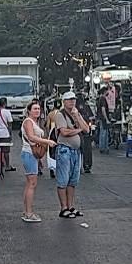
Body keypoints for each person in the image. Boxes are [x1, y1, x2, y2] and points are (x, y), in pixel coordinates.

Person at [51, 91, 90, 219]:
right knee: (63, 180)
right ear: (64, 101)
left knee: (73, 180)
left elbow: (87, 129)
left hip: (75, 150)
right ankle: (63, 207)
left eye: (73, 99)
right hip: (64, 149)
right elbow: (64, 132)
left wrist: (77, 117)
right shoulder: (60, 115)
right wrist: (78, 130)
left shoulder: (76, 113)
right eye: (69, 99)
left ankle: (70, 205)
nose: (72, 101)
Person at [20, 100, 57, 223]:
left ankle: (27, 211)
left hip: (31, 154)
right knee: (32, 184)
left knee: (29, 183)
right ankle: (29, 213)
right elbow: (31, 137)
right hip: (29, 153)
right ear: (29, 111)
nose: (37, 111)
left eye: (38, 109)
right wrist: (47, 142)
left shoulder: (34, 122)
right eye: (35, 109)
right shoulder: (28, 122)